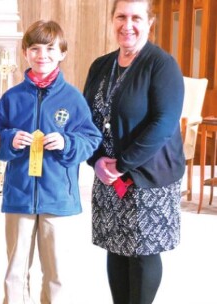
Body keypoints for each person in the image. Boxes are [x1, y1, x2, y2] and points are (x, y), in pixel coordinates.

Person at [83, 0, 185, 303]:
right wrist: (96, 158)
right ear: (112, 20)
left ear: (149, 22)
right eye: (121, 17)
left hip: (147, 175)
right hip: (108, 175)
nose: (128, 25)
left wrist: (122, 164)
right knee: (116, 246)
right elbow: (87, 118)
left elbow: (164, 123)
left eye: (136, 17)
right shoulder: (101, 65)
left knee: (141, 251)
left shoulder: (161, 64)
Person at [0, 20, 102, 303]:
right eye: (35, 48)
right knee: (15, 271)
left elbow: (91, 140)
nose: (42, 55)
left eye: (50, 48)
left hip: (58, 197)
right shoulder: (11, 98)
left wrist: (68, 142)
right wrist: (10, 140)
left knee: (56, 273)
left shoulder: (74, 99)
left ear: (62, 53)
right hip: (19, 196)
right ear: (25, 52)